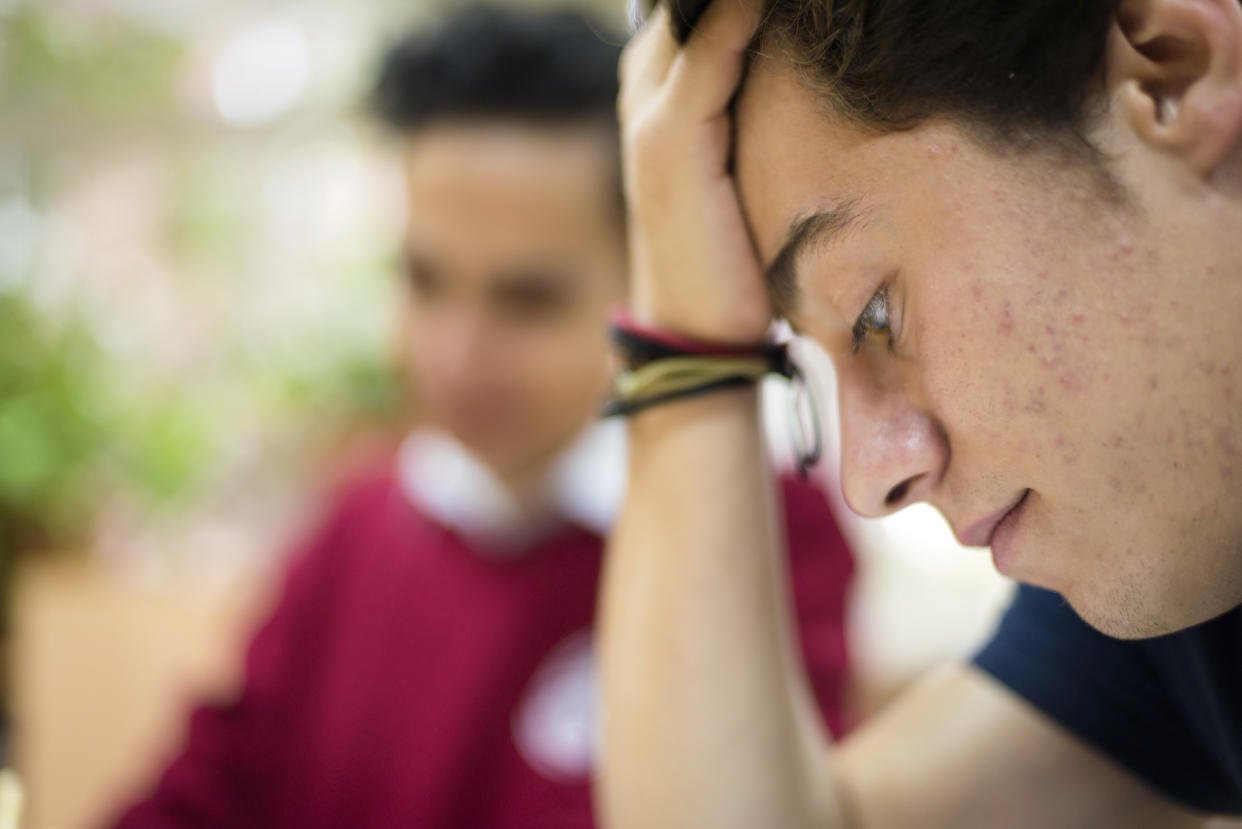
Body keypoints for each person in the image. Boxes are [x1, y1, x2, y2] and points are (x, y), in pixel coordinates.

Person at [104, 6, 857, 828]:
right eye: (425, 281)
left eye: (526, 299)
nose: (455, 355)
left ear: (649, 278)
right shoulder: (352, 530)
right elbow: (208, 789)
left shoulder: (764, 537)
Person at [598, 0, 1242, 826]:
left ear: (1171, 73)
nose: (870, 478)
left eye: (874, 316)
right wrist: (689, 341)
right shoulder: (1184, 555)